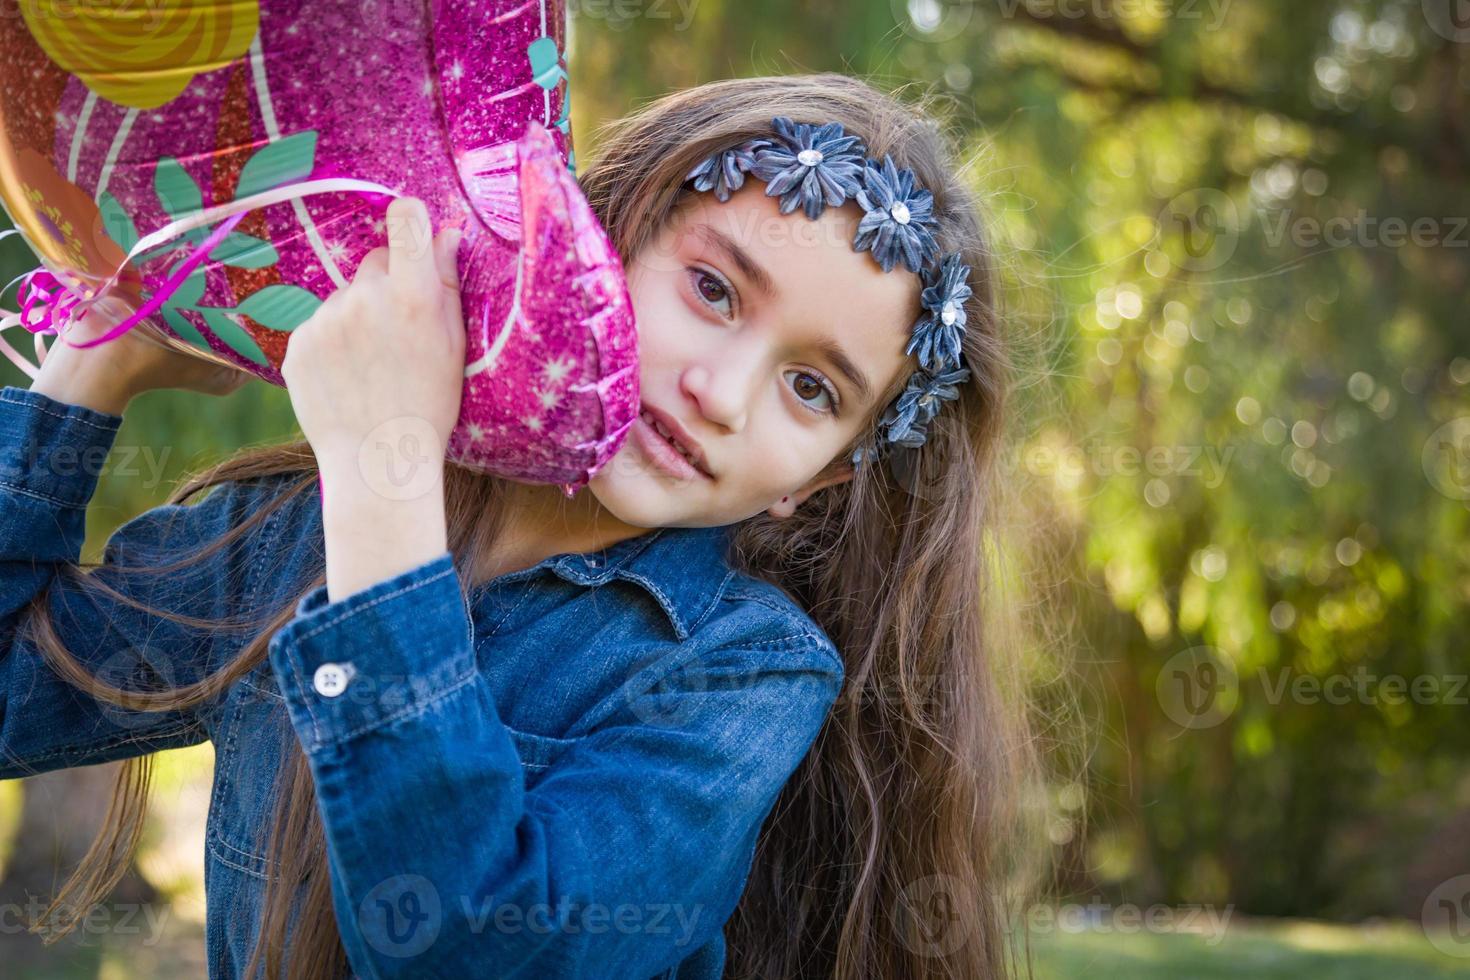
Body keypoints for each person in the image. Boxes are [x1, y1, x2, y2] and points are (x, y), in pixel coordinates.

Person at [0, 73, 1044, 978]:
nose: (725, 391)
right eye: (715, 289)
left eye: (812, 388)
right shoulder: (293, 533)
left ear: (811, 486)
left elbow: (476, 949)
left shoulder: (745, 671)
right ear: (598, 239)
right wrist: (91, 369)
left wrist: (383, 479)